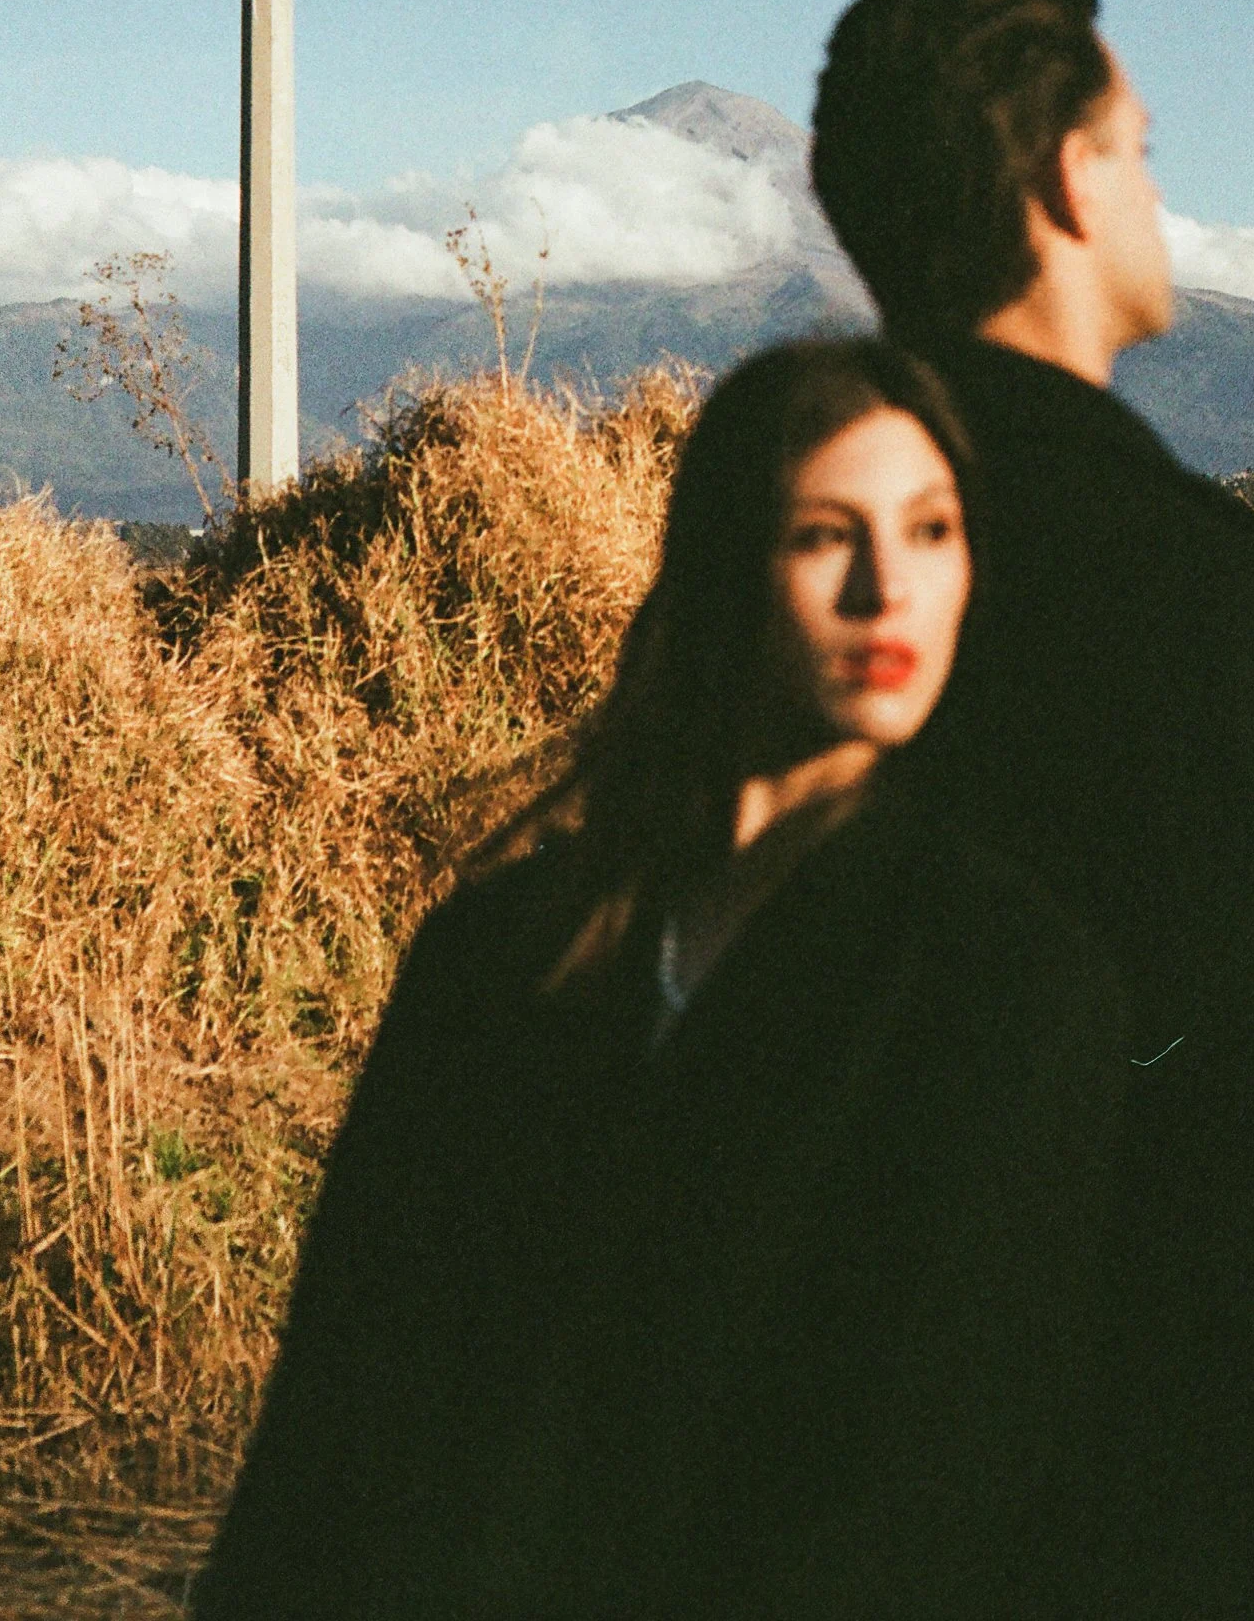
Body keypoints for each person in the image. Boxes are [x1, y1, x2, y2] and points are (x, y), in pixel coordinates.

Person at [193, 336, 1128, 1621]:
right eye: (822, 535)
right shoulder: (503, 951)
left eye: (929, 532)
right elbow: (332, 1419)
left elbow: (952, 1482)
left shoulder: (1000, 976)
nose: (884, 590)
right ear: (724, 561)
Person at [811, 0, 1254, 1621]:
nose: (1149, 195)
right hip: (1171, 1492)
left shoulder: (766, 587)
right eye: (1136, 153)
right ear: (1063, 180)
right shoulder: (1182, 598)